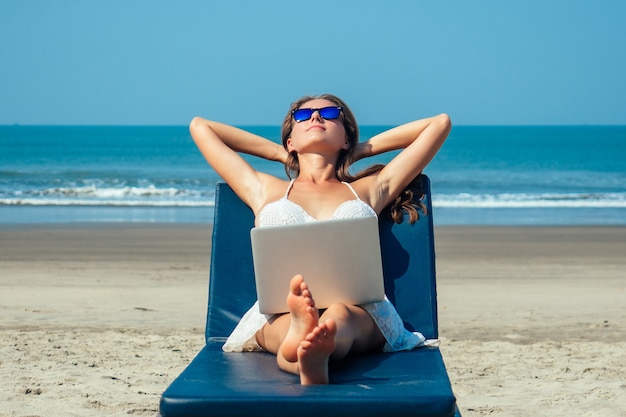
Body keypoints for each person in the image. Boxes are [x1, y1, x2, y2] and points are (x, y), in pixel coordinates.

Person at [190, 94, 451, 385]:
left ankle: (310, 343)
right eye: (303, 116)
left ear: (345, 138)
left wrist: (360, 150)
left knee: (339, 316)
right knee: (288, 327)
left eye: (329, 113)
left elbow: (439, 124)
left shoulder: (369, 189)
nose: (316, 117)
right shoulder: (264, 189)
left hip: (357, 310)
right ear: (290, 140)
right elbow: (201, 127)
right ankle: (309, 359)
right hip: (282, 311)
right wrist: (282, 154)